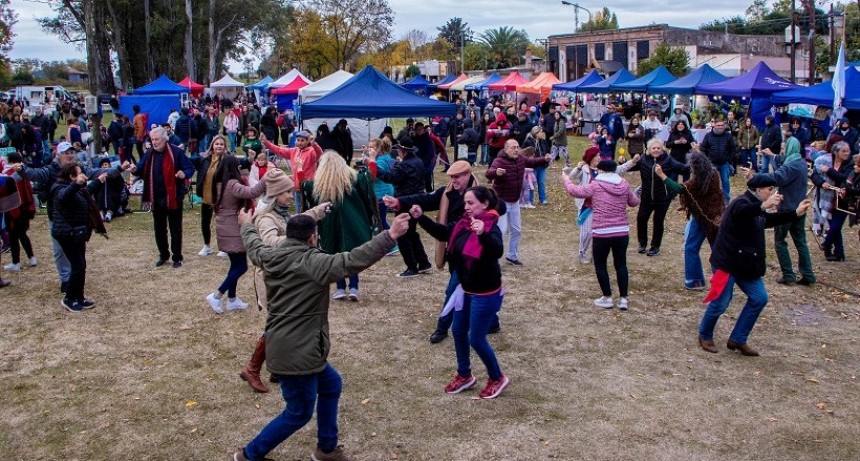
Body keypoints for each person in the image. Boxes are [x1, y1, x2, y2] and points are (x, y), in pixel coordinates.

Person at [232, 211, 410, 461]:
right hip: (298, 353)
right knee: (298, 413)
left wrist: (247, 225)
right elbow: (353, 260)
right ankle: (249, 455)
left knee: (331, 384)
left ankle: (326, 449)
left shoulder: (270, 255)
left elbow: (254, 246)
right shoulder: (314, 263)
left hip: (290, 346)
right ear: (312, 237)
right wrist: (390, 235)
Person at [408, 185, 510, 399]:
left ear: (485, 204)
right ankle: (465, 375)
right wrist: (421, 218)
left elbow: (496, 250)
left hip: (485, 293)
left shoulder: (491, 226)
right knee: (458, 331)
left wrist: (482, 233)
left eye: (471, 203)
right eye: (465, 202)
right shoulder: (464, 223)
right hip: (465, 289)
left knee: (477, 339)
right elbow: (443, 232)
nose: (467, 207)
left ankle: (497, 377)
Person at [385, 160, 501, 344]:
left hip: (474, 255)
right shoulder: (446, 193)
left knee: (453, 290)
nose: (453, 180)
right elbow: (424, 199)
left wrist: (483, 230)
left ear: (467, 175)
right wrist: (400, 202)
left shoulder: (481, 195)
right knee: (471, 289)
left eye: (457, 177)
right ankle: (492, 321)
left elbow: (497, 216)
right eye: (451, 177)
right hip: (454, 249)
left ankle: (442, 327)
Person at [238, 169, 331, 393]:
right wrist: (297, 240)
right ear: (277, 193)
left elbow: (296, 225)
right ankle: (252, 368)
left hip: (284, 275)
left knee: (282, 323)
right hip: (272, 278)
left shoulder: (281, 213)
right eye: (288, 191)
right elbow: (270, 241)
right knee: (278, 324)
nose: (291, 195)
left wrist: (318, 211)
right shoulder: (266, 217)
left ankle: (278, 369)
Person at [697, 175, 812, 356]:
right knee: (720, 303)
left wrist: (795, 213)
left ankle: (738, 338)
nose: (772, 192)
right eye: (769, 189)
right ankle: (704, 335)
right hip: (726, 264)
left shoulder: (756, 207)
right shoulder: (740, 203)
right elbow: (743, 212)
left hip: (746, 265)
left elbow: (767, 220)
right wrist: (763, 206)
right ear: (758, 190)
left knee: (759, 298)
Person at [10, 142, 127, 293]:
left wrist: (119, 168)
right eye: (66, 153)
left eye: (71, 152)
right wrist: (22, 169)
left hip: (78, 219)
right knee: (60, 251)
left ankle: (75, 277)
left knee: (78, 250)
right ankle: (66, 279)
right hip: (58, 219)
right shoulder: (51, 170)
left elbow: (97, 172)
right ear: (58, 155)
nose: (70, 155)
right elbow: (34, 174)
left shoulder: (79, 168)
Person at [563, 159, 640, 309]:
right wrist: (638, 195)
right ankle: (624, 299)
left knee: (601, 264)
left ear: (601, 171)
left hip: (601, 231)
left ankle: (607, 297)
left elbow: (576, 191)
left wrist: (566, 180)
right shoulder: (624, 184)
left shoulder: (596, 185)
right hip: (621, 231)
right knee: (621, 264)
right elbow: (634, 202)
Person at [301, 151, 378, 300]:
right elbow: (368, 177)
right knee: (351, 254)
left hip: (330, 224)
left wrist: (299, 171)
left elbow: (303, 186)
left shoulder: (319, 186)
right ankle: (354, 287)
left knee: (334, 254)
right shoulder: (352, 180)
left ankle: (341, 288)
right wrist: (372, 161)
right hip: (352, 223)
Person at [743, 135, 816, 284]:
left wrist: (754, 177)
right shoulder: (801, 163)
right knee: (801, 242)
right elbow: (782, 163)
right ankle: (808, 274)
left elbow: (776, 177)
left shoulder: (791, 166)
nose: (783, 149)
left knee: (780, 241)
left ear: (790, 148)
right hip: (799, 207)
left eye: (784, 147)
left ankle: (788, 275)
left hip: (787, 210)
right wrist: (772, 155)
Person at [204, 155, 267, 313]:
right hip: (233, 229)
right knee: (241, 266)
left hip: (224, 228)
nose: (239, 168)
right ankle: (217, 295)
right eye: (238, 166)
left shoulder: (220, 183)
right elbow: (253, 192)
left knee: (235, 265)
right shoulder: (232, 184)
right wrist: (266, 178)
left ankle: (232, 300)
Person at [653, 153, 725, 290]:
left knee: (701, 248)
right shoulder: (714, 173)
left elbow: (679, 188)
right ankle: (705, 281)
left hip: (709, 219)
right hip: (711, 217)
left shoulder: (697, 182)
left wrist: (662, 175)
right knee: (704, 248)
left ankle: (699, 282)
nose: (690, 168)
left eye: (691, 165)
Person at [129, 127, 196, 268]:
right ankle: (163, 255)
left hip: (173, 198)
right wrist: (134, 169)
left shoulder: (177, 153)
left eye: (156, 139)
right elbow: (140, 169)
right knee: (159, 229)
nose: (154, 142)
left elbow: (190, 168)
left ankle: (177, 257)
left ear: (165, 139)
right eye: (152, 139)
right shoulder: (149, 154)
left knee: (175, 229)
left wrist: (184, 174)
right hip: (155, 198)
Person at [50, 162, 109, 312]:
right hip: (66, 234)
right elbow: (64, 197)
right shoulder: (59, 189)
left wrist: (98, 181)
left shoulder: (78, 189)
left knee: (81, 265)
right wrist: (76, 184)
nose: (83, 175)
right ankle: (69, 298)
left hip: (78, 233)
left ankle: (79, 296)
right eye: (79, 173)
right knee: (78, 266)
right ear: (71, 176)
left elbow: (87, 190)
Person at [568, 146, 639, 264]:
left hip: (602, 207)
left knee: (598, 233)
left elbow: (620, 168)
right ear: (591, 157)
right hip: (587, 207)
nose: (599, 158)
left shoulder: (605, 169)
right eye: (597, 156)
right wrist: (578, 167)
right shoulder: (585, 169)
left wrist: (633, 162)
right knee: (586, 233)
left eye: (599, 156)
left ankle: (594, 254)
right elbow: (572, 177)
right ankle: (582, 253)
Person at [486, 139, 551, 266]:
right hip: (501, 203)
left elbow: (532, 162)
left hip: (515, 201)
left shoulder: (521, 159)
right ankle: (493, 260)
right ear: (505, 149)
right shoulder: (499, 161)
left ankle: (512, 256)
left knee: (516, 230)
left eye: (517, 147)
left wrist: (545, 159)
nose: (516, 150)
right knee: (500, 231)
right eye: (513, 147)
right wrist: (496, 172)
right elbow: (488, 173)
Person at [376, 139, 431, 278]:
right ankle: (423, 263)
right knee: (412, 233)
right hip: (417, 199)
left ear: (403, 151)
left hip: (404, 202)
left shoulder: (404, 166)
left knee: (402, 234)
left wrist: (373, 166)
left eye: (399, 149)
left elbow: (389, 177)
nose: (398, 150)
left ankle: (412, 267)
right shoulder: (417, 161)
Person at [629, 138, 690, 256]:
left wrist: (694, 159)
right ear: (648, 150)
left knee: (658, 221)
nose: (656, 150)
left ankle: (655, 246)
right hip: (647, 197)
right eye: (654, 148)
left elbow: (683, 168)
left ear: (662, 149)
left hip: (663, 197)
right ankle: (642, 243)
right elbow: (630, 167)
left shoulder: (668, 160)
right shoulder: (643, 160)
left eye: (658, 148)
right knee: (641, 218)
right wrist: (623, 162)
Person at [811, 141, 853, 262]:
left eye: (848, 151)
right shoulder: (825, 160)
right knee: (833, 226)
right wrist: (821, 183)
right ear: (836, 152)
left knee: (836, 225)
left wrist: (829, 170)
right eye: (843, 151)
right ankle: (839, 254)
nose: (846, 153)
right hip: (827, 199)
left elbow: (844, 178)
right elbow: (814, 175)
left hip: (844, 200)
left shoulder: (849, 164)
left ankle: (826, 243)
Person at [262, 129, 322, 213]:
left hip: (308, 188)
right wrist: (266, 142)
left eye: (302, 140)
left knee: (310, 211)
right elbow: (279, 150)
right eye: (298, 140)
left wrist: (314, 144)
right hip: (297, 189)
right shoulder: (294, 151)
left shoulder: (311, 152)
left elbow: (319, 154)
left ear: (307, 141)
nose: (300, 142)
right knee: (299, 212)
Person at [195, 135, 230, 257]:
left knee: (221, 223)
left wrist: (250, 159)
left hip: (221, 197)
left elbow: (241, 164)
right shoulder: (205, 159)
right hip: (206, 196)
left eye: (221, 144)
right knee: (205, 222)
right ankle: (207, 246)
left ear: (224, 147)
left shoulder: (227, 160)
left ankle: (224, 247)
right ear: (212, 146)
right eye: (217, 144)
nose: (219, 146)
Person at [2, 152, 37, 272]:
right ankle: (32, 258)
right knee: (22, 234)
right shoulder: (25, 171)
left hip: (14, 209)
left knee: (13, 236)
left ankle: (15, 262)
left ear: (11, 161)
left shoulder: (11, 174)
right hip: (26, 208)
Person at [698, 119, 737, 203]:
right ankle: (711, 199)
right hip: (712, 163)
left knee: (725, 181)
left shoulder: (728, 136)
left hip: (724, 163)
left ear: (724, 126)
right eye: (718, 125)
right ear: (714, 126)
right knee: (711, 181)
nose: (720, 127)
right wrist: (706, 160)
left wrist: (729, 159)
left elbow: (733, 148)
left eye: (722, 125)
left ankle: (726, 200)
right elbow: (703, 148)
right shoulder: (708, 135)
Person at [92, 157, 127, 222]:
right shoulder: (97, 176)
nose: (104, 167)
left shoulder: (116, 174)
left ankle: (109, 213)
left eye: (106, 165)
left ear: (110, 165)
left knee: (112, 200)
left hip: (112, 197)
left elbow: (121, 186)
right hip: (100, 198)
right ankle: (101, 213)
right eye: (102, 165)